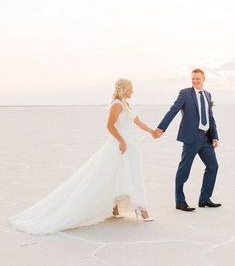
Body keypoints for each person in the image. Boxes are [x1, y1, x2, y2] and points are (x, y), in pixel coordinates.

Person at [9, 78, 154, 235]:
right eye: (131, 88)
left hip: (130, 146)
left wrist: (153, 131)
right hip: (120, 146)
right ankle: (143, 211)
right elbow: (109, 126)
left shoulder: (126, 105)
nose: (133, 91)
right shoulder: (117, 104)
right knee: (118, 175)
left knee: (123, 174)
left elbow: (137, 121)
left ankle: (115, 208)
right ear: (124, 89)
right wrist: (121, 141)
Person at [153, 69, 221, 212]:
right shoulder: (185, 93)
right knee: (184, 170)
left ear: (204, 79)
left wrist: (215, 136)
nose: (195, 81)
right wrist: (161, 128)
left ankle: (204, 199)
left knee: (213, 167)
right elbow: (173, 110)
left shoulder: (208, 95)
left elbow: (210, 117)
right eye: (193, 78)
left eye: (198, 78)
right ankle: (180, 201)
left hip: (206, 138)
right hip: (191, 138)